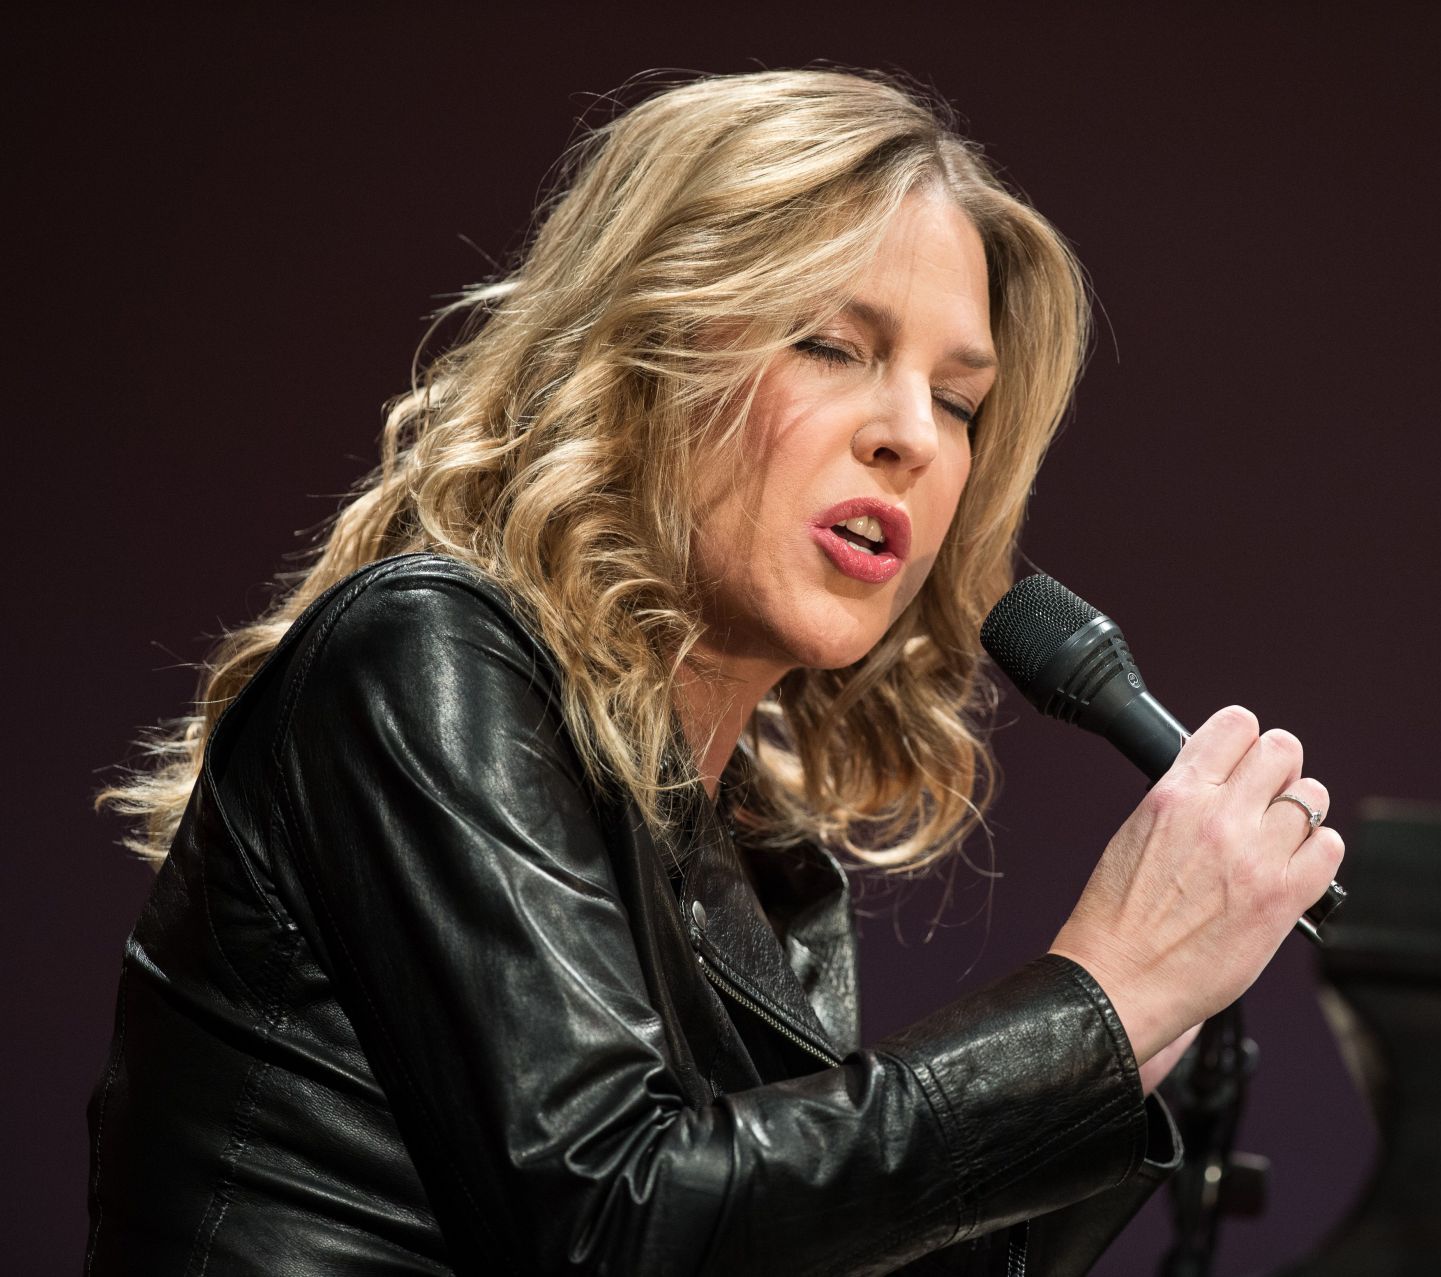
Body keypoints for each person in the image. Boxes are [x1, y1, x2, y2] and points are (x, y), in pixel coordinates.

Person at [86, 68, 1343, 1276]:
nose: (910, 432)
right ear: (648, 357)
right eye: (833, 344)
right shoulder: (428, 653)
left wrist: (1119, 1051)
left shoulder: (761, 862)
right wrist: (1096, 1000)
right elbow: (614, 1223)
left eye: (960, 400)